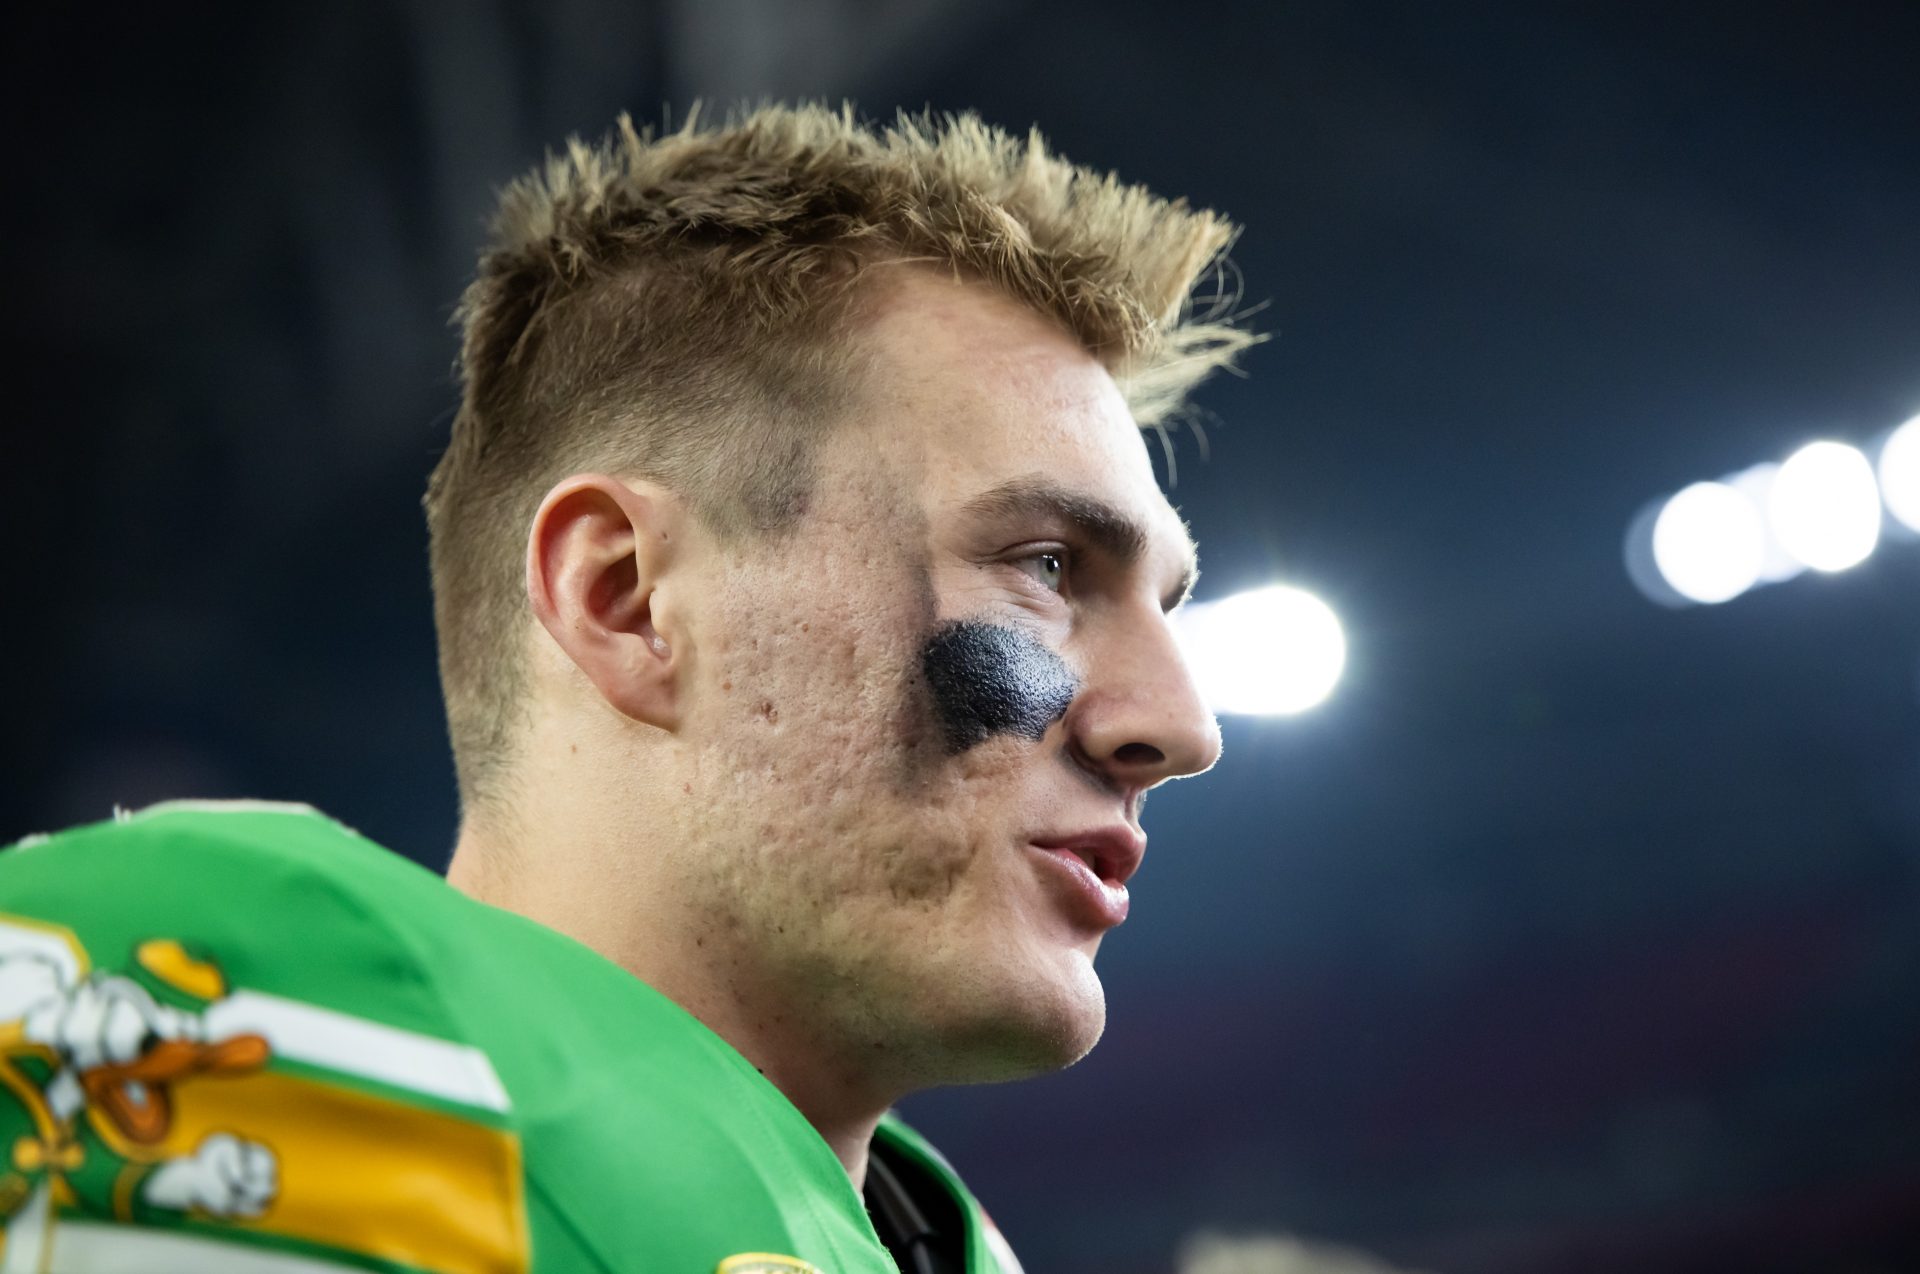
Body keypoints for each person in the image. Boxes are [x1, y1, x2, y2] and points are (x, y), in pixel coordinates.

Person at [0, 103, 1256, 1272]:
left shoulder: (936, 1237)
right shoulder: (254, 1006)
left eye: (1169, 600)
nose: (1181, 726)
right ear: (629, 597)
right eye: (1044, 564)